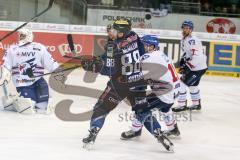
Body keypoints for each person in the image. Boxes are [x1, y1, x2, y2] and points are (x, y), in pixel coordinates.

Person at [81, 19, 174, 151]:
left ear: (121, 31)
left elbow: (110, 70)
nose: (112, 31)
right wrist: (100, 59)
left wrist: (94, 67)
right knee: (143, 111)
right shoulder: (134, 36)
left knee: (101, 107)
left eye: (115, 29)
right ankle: (160, 134)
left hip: (120, 85)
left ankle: (93, 133)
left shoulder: (112, 46)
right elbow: (141, 54)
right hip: (138, 83)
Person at [120, 35, 181, 140]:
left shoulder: (148, 57)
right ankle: (173, 129)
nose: (142, 47)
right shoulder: (161, 54)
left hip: (165, 93)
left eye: (144, 45)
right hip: (176, 90)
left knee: (140, 107)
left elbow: (136, 73)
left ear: (151, 46)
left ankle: (135, 130)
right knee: (165, 108)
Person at [1, 28, 59, 114]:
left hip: (38, 80)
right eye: (20, 35)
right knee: (29, 107)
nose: (21, 37)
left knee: (43, 107)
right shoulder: (12, 49)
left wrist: (57, 70)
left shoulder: (39, 48)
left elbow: (50, 62)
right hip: (23, 82)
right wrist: (4, 75)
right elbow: (6, 65)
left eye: (23, 35)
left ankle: (18, 100)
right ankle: (15, 102)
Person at [172, 20, 207, 112]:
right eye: (184, 27)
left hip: (197, 67)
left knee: (182, 84)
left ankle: (182, 105)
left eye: (187, 28)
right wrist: (184, 59)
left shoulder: (192, 40)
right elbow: (188, 53)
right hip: (198, 66)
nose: (185, 29)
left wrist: (188, 65)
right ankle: (196, 104)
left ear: (191, 29)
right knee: (192, 86)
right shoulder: (184, 39)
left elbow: (198, 56)